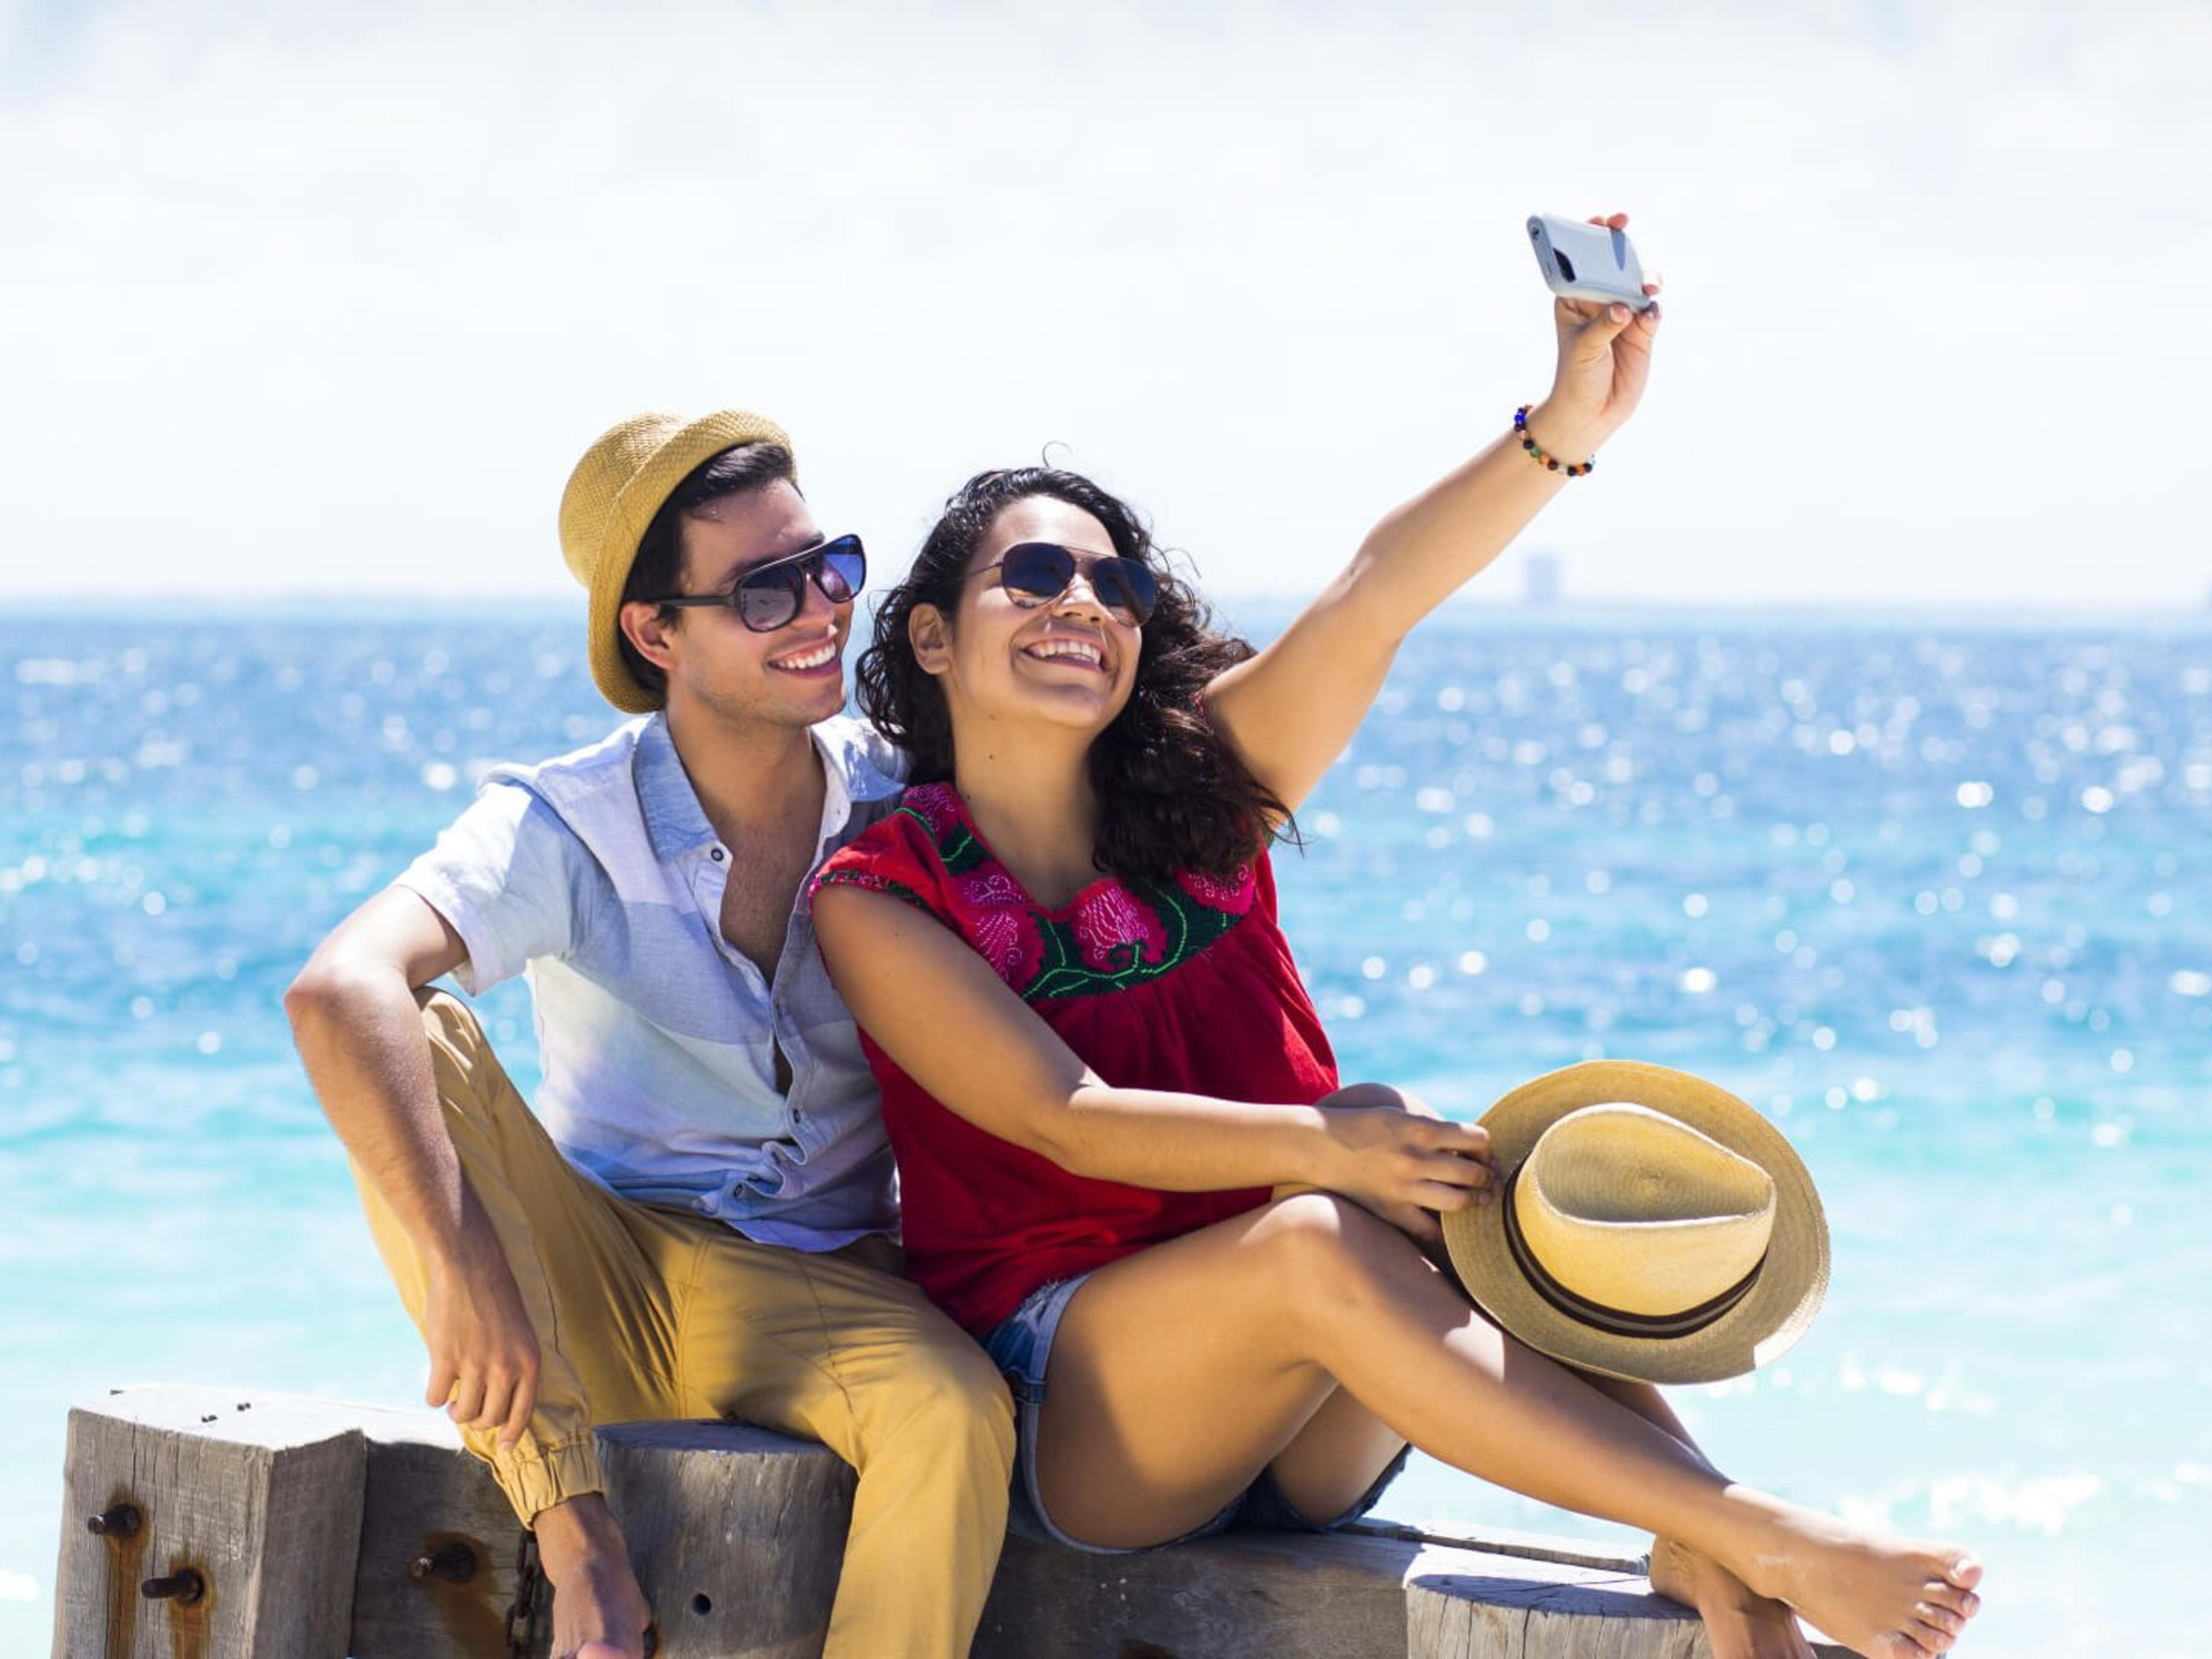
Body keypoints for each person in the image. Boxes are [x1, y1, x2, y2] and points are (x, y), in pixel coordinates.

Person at [811, 219, 1986, 1659]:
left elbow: (1378, 594)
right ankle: (1766, 1534)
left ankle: (1697, 1526)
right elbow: (1068, 1120)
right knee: (1342, 1179)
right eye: (1037, 576)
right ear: (933, 638)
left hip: (1316, 1414)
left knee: (1428, 1157)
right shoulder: (882, 895)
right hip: (1088, 1426)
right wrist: (1333, 1150)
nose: (1083, 607)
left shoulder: (1204, 793)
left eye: (1116, 587)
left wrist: (1565, 427)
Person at [286, 411, 1014, 1659]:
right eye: (765, 590)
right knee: (415, 1030)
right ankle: (575, 1539)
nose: (820, 610)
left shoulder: (905, 797)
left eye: (830, 566)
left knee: (954, 1410)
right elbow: (337, 988)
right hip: (601, 1275)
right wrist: (463, 1268)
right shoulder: (570, 820)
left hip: (824, 1288)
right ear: (655, 632)